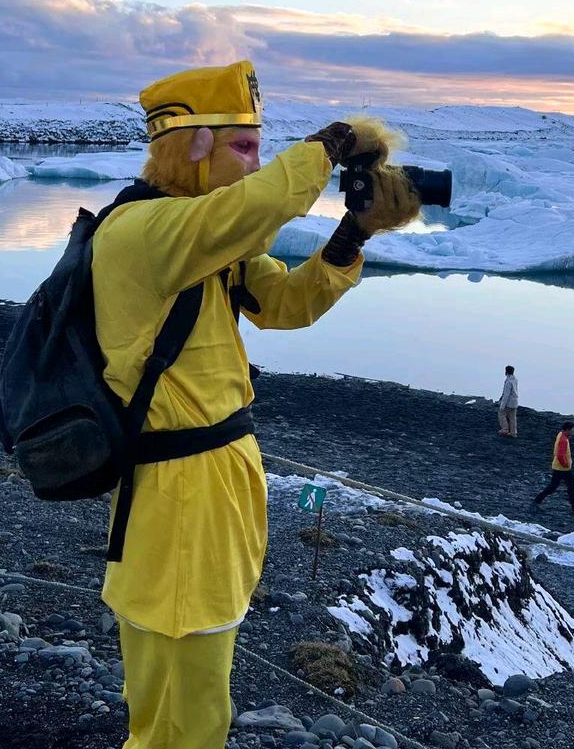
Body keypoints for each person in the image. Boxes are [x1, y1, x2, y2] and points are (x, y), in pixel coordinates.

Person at [91, 60, 421, 749]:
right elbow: (258, 206)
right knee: (186, 712)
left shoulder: (201, 242)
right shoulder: (143, 232)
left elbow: (287, 305)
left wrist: (353, 235)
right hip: (179, 494)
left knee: (188, 695)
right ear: (196, 144)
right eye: (245, 146)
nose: (257, 162)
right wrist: (331, 146)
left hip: (212, 486)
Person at [532, 421, 574, 513]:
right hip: (563, 468)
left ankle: (538, 500)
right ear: (567, 430)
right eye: (572, 430)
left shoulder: (561, 435)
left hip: (558, 467)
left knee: (553, 486)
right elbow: (560, 455)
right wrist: (566, 464)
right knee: (570, 487)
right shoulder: (564, 440)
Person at [497, 365, 519, 437]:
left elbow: (506, 395)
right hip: (515, 402)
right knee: (512, 417)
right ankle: (513, 432)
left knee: (501, 414)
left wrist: (502, 406)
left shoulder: (508, 382)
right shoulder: (515, 380)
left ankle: (505, 429)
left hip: (509, 402)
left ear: (506, 371)